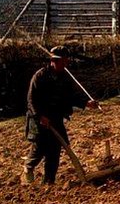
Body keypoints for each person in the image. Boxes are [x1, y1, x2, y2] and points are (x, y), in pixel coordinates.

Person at [23, 46, 99, 184]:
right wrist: (40, 116)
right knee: (40, 147)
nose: (63, 64)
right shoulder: (40, 76)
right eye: (60, 61)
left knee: (54, 151)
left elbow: (71, 97)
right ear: (52, 61)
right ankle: (28, 167)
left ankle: (49, 181)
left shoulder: (65, 78)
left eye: (65, 62)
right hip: (39, 118)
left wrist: (86, 103)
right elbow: (31, 100)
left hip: (56, 117)